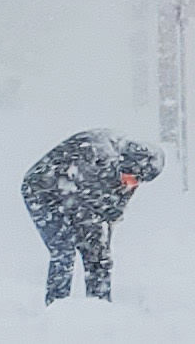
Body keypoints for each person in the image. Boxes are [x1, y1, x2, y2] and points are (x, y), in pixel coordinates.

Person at [20, 130, 163, 304]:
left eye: (140, 181)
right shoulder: (95, 158)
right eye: (134, 178)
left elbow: (115, 201)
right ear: (126, 165)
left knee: (99, 256)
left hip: (76, 196)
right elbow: (82, 203)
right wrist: (102, 213)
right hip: (42, 192)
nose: (134, 184)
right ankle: (56, 307)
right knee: (64, 249)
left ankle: (99, 305)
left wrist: (113, 210)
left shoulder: (127, 170)